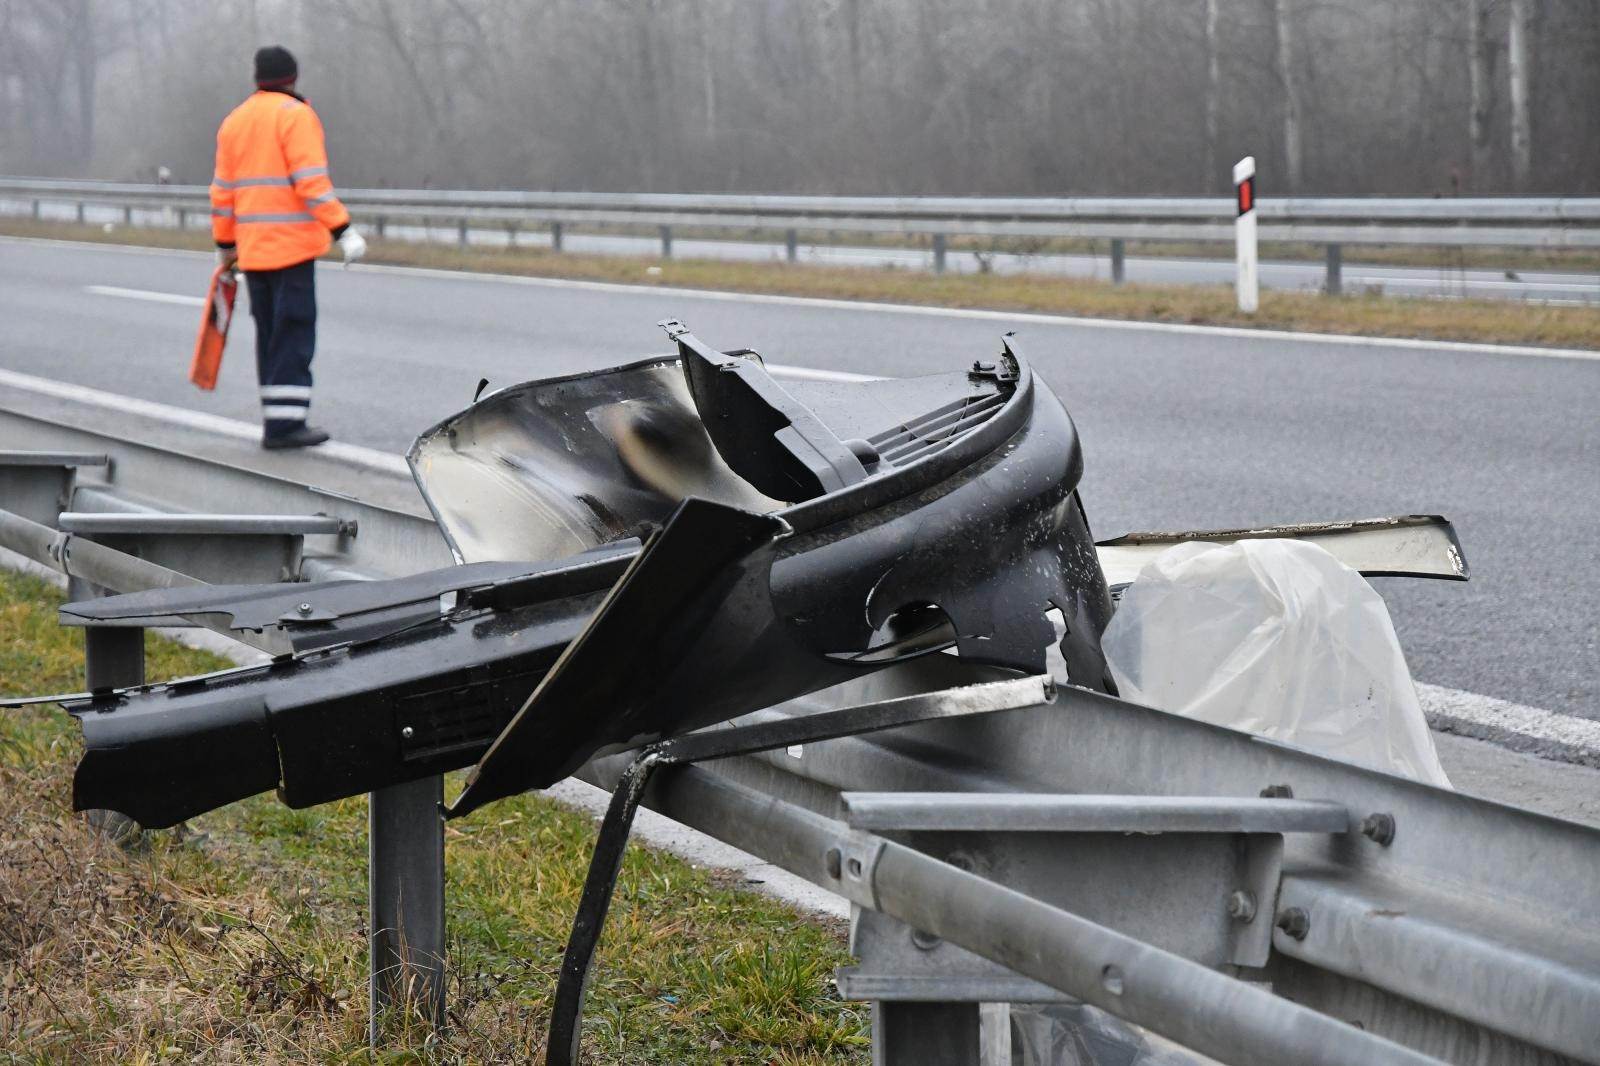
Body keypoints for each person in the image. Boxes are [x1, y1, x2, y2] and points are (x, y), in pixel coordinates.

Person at [209, 45, 366, 449]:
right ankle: (286, 427)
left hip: (253, 253)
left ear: (256, 78)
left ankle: (276, 420)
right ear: (294, 77)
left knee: (270, 336)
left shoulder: (235, 122)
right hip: (291, 252)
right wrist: (342, 230)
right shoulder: (296, 116)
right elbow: (311, 183)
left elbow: (222, 195)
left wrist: (225, 247)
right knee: (293, 335)